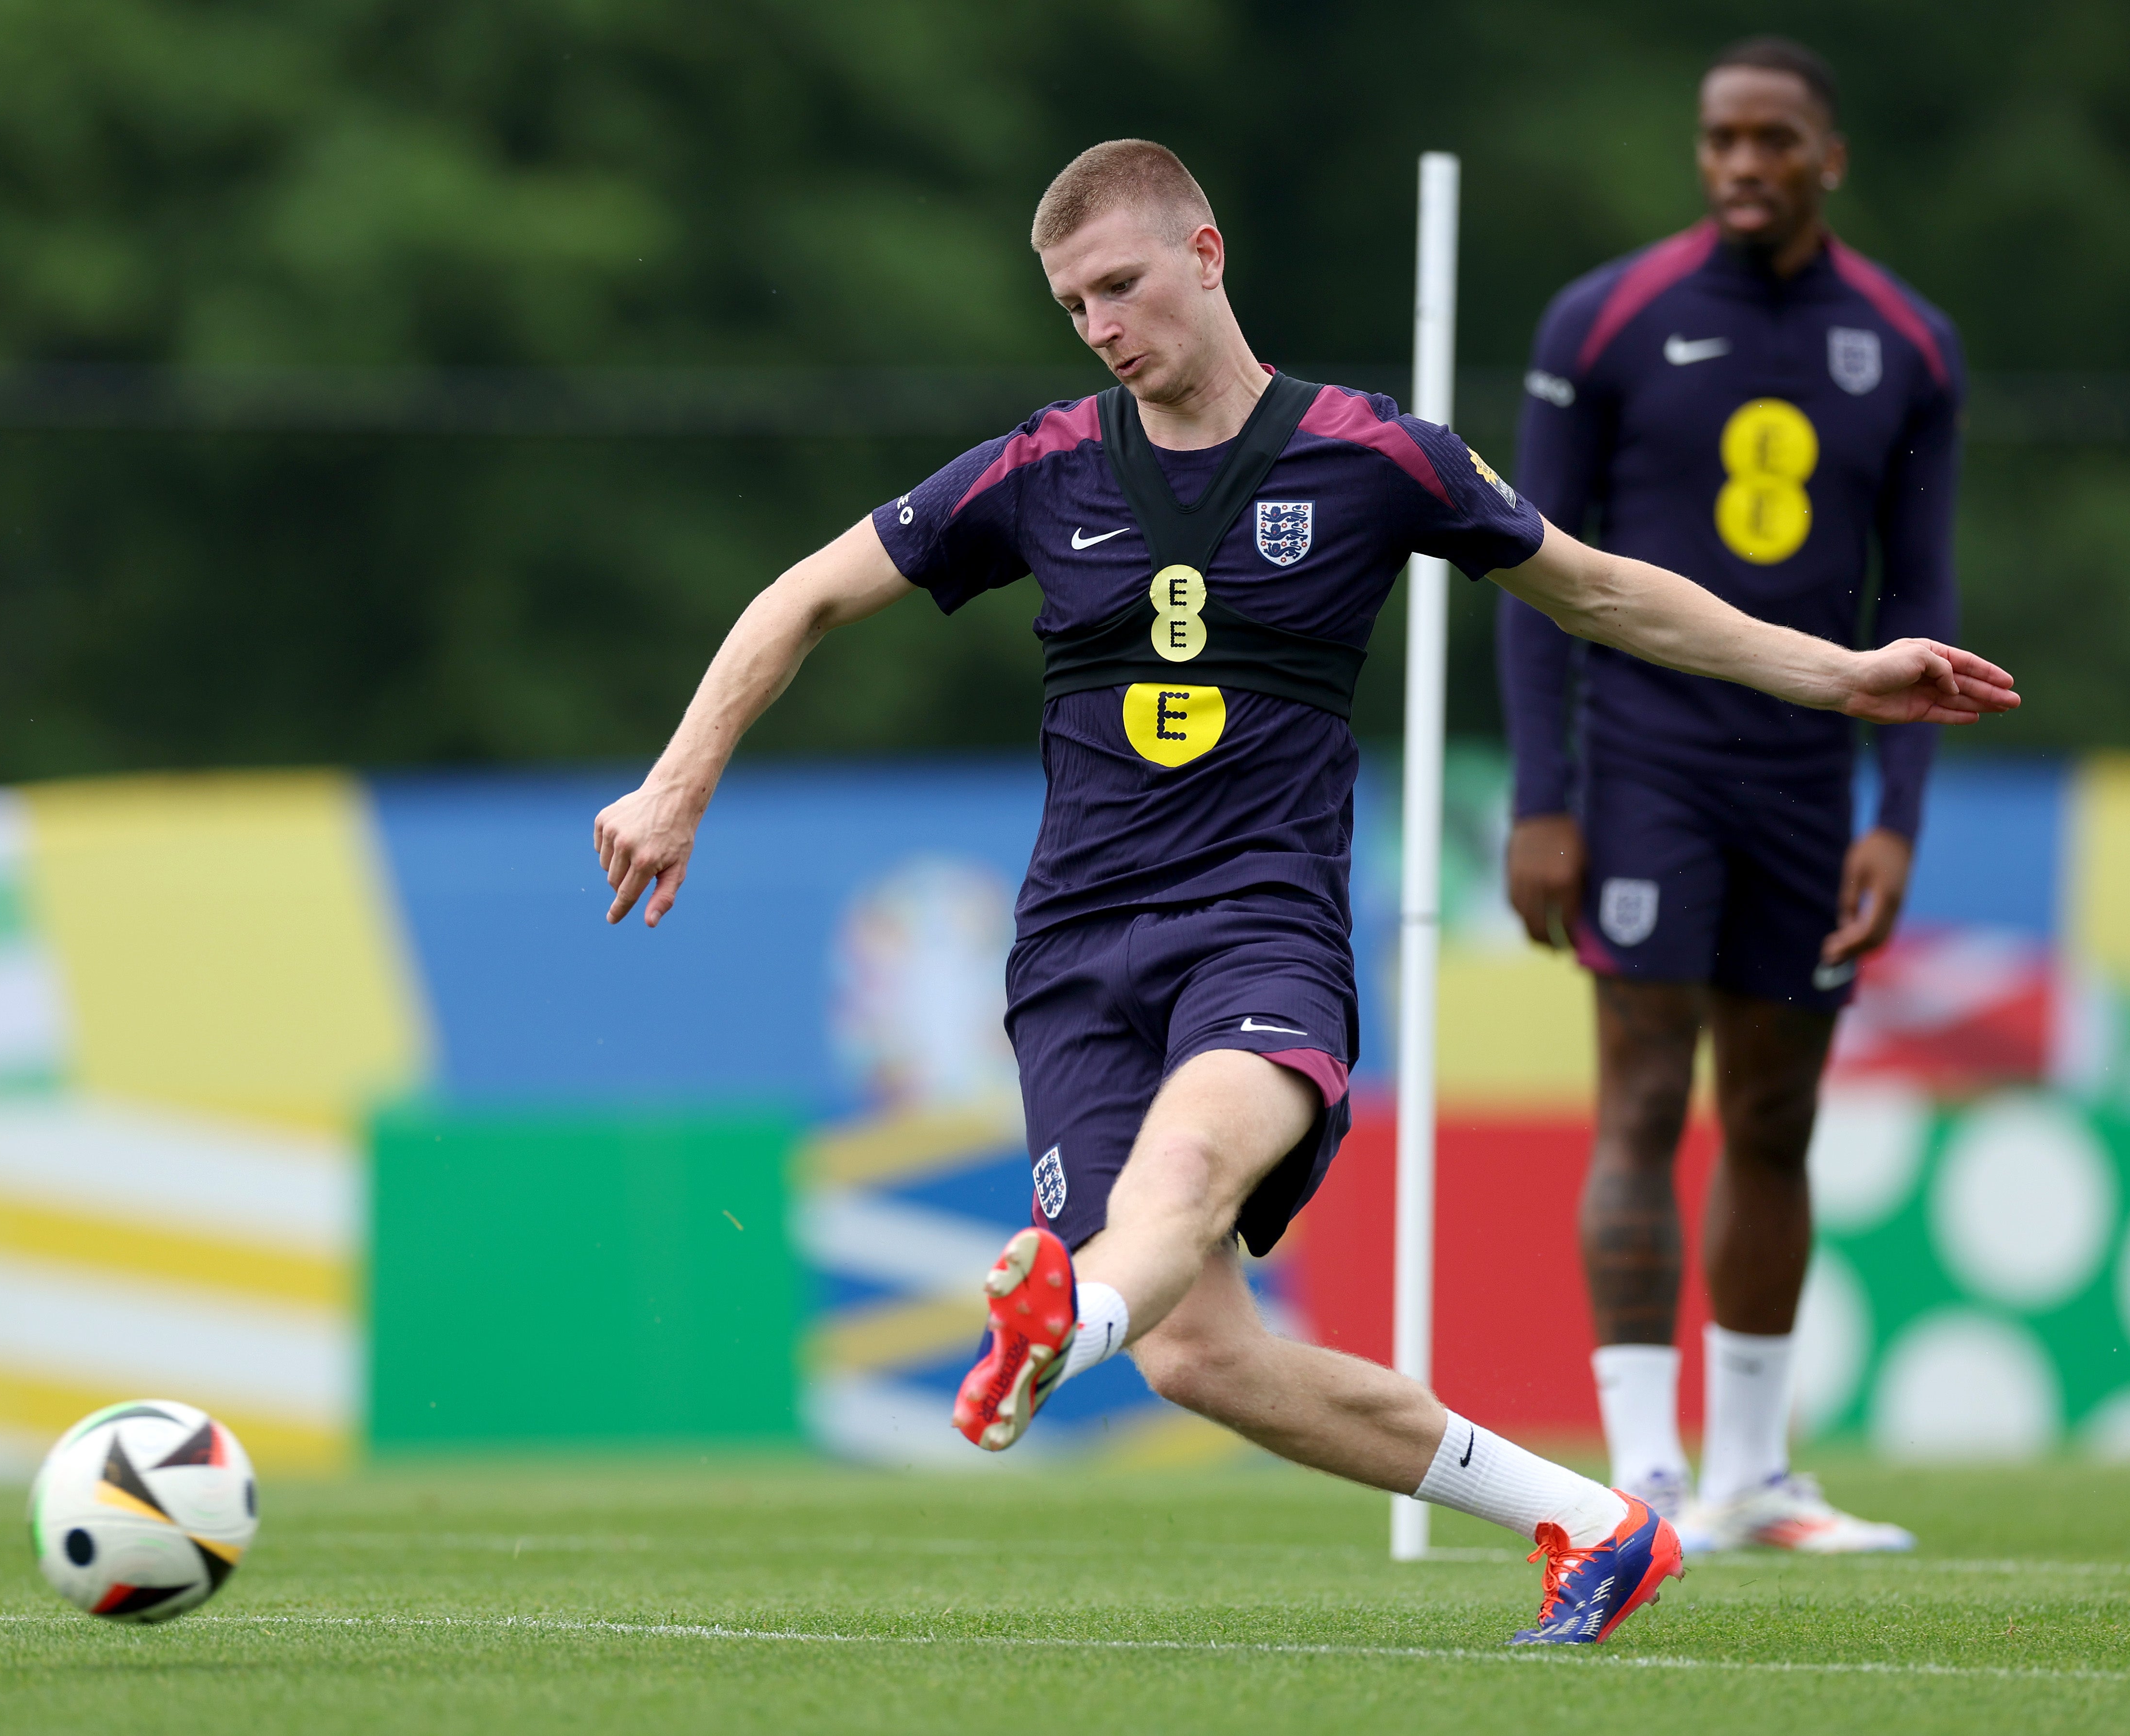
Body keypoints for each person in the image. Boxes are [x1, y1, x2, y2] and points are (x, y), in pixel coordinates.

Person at [596, 139, 2013, 1641]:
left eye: (1121, 287)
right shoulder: (1043, 463)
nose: (1099, 327)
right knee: (1201, 1355)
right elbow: (805, 590)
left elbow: (1598, 587)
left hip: (1258, 930)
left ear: (1204, 254)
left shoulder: (1375, 454)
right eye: (1074, 305)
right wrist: (676, 781)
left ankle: (1055, 1321)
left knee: (1183, 1179)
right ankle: (1593, 1524)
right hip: (1071, 955)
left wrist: (1838, 671)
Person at [1497, 37, 1963, 1554]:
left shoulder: (1905, 340)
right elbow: (1525, 574)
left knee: (1774, 1115)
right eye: (1718, 140)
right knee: (1641, 1099)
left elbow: (1923, 590)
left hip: (1805, 778)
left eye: (1772, 140)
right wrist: (1541, 794)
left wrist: (1895, 810)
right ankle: (1646, 1475)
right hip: (1645, 764)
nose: (1741, 166)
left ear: (1829, 154)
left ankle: (1757, 1472)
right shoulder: (1607, 317)